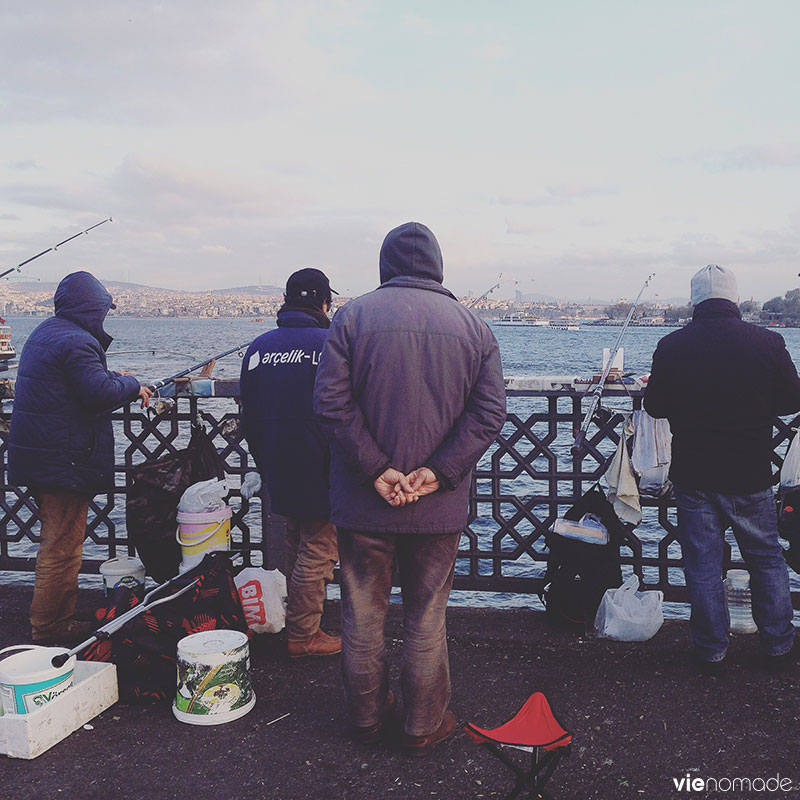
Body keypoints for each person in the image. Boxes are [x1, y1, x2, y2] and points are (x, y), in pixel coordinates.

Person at [314, 222, 506, 755]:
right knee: (427, 613)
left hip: (363, 502)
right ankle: (423, 724)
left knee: (362, 612)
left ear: (385, 265)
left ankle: (366, 718)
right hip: (436, 506)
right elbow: (489, 412)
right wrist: (438, 473)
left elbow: (330, 404)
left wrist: (376, 469)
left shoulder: (351, 318)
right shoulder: (474, 327)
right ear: (438, 267)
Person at [644, 264, 800, 673]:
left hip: (695, 475)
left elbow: (655, 406)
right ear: (734, 298)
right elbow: (789, 401)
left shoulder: (672, 345)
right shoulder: (766, 342)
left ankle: (712, 649)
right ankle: (779, 645)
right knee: (766, 559)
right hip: (749, 472)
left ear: (694, 300)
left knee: (703, 565)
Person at [7, 271, 152, 644]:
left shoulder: (47, 333)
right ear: (92, 309)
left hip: (43, 455)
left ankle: (56, 622)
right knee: (62, 548)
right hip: (64, 461)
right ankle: (49, 629)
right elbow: (97, 393)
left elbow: (81, 383)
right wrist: (132, 385)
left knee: (57, 544)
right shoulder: (78, 342)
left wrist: (109, 377)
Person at [239, 268, 341, 659]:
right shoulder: (331, 342)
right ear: (323, 303)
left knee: (298, 538)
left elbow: (247, 409)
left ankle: (300, 622)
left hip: (275, 458)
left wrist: (264, 456)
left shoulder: (259, 347)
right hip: (321, 460)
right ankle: (303, 634)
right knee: (320, 546)